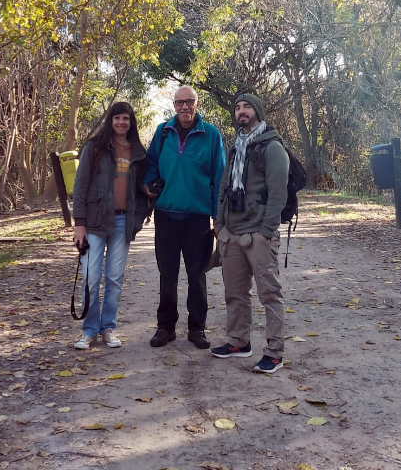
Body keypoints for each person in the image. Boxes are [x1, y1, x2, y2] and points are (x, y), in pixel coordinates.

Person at [211, 93, 289, 374]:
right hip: (232, 233)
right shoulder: (235, 147)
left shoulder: (272, 147)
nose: (241, 111)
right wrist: (220, 225)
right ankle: (238, 342)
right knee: (235, 292)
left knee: (269, 294)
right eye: (237, 107)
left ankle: (275, 353)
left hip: (259, 233)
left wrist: (267, 231)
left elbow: (278, 193)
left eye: (247, 107)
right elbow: (223, 188)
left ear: (257, 111)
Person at [143, 86, 225, 349]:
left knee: (197, 275)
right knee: (167, 275)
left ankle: (197, 328)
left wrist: (218, 218)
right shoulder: (162, 132)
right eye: (180, 102)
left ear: (197, 104)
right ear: (174, 105)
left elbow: (220, 177)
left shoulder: (211, 134)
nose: (185, 107)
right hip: (166, 215)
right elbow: (150, 163)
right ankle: (165, 327)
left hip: (197, 219)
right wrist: (148, 184)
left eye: (189, 102)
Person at [72, 101, 149, 350]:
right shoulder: (95, 147)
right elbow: (80, 186)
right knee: (90, 278)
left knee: (114, 278)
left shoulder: (138, 152)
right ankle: (89, 330)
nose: (121, 122)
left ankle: (108, 328)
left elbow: (143, 192)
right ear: (110, 120)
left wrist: (137, 220)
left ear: (131, 122)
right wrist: (79, 224)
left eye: (126, 118)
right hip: (94, 221)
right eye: (117, 118)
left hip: (122, 222)